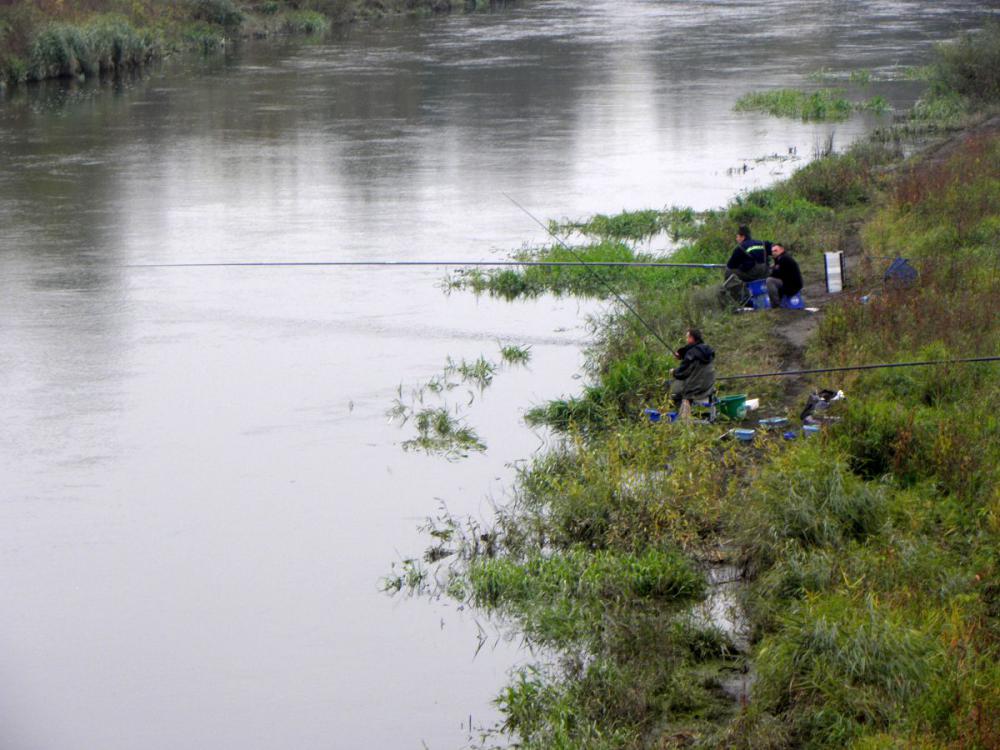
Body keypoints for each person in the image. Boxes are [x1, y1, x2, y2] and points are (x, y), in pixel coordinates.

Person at [722, 226, 772, 304]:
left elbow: (731, 265)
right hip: (766, 273)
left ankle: (742, 298)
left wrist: (741, 266)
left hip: (752, 275)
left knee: (729, 272)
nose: (736, 239)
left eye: (737, 236)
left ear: (743, 237)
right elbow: (776, 251)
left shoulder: (740, 248)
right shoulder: (763, 243)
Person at [669, 328, 716, 412]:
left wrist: (673, 372)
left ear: (692, 338)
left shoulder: (691, 353)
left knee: (674, 392)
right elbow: (693, 353)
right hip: (708, 387)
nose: (686, 340)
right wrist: (681, 354)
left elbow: (682, 373)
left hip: (694, 389)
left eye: (687, 337)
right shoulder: (707, 350)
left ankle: (680, 416)